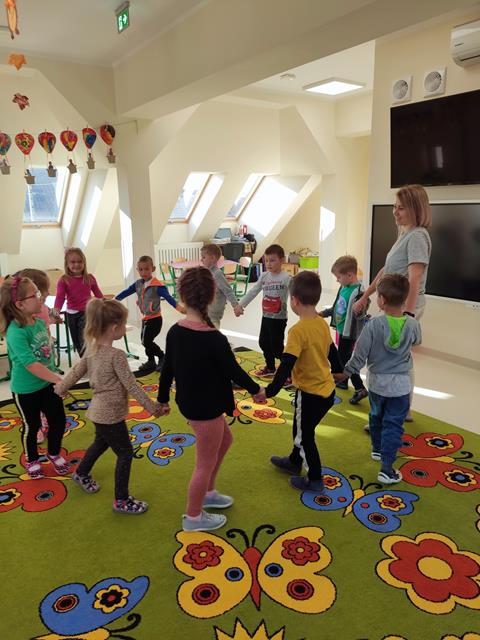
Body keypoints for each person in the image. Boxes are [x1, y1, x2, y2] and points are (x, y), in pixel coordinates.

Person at [157, 267, 261, 532]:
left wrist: (163, 399)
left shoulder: (175, 331)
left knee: (225, 440)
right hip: (205, 409)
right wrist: (256, 389)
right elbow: (234, 371)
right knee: (203, 464)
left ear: (182, 295)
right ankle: (193, 517)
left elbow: (167, 368)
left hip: (192, 403)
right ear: (213, 296)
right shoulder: (214, 339)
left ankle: (209, 492)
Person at [54, 299, 166, 515]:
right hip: (110, 415)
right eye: (124, 324)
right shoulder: (117, 356)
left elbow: (75, 373)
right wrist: (154, 408)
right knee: (125, 454)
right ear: (114, 328)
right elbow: (132, 386)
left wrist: (60, 388)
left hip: (98, 412)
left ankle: (81, 473)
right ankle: (121, 500)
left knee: (101, 442)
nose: (125, 328)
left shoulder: (91, 350)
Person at [255, 271, 342, 492]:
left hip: (311, 393)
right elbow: (332, 349)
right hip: (326, 390)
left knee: (305, 436)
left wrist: (269, 391)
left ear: (294, 301)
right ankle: (294, 461)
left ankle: (315, 478)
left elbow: (286, 364)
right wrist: (339, 370)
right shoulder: (321, 323)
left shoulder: (297, 331)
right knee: (301, 427)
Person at [353, 185, 431, 420]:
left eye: (401, 208)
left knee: (397, 359)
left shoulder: (417, 236)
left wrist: (408, 316)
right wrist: (366, 295)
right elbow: (387, 270)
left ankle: (400, 409)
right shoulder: (404, 233)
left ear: (416, 209)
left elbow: (415, 277)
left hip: (403, 307)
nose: (395, 212)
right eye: (394, 207)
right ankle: (396, 407)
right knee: (395, 357)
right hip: (394, 306)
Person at [342, 274, 421, 484]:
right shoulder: (412, 324)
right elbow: (417, 341)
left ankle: (377, 449)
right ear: (404, 299)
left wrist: (347, 372)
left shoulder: (373, 325)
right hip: (401, 386)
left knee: (376, 416)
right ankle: (387, 468)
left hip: (377, 383)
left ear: (382, 300)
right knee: (394, 424)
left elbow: (360, 354)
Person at [0, 275, 69, 480]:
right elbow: (31, 364)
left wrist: (54, 381)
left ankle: (53, 453)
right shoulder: (15, 332)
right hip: (26, 390)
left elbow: (46, 355)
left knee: (58, 420)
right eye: (36, 294)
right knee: (32, 427)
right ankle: (32, 459)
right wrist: (58, 379)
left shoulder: (38, 322)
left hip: (47, 385)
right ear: (20, 304)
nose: (41, 297)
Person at [17, 268, 62, 444]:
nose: (48, 293)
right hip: (32, 361)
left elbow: (49, 316)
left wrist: (54, 318)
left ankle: (45, 418)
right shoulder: (25, 315)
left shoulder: (42, 307)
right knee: (34, 397)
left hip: (45, 352)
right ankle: (36, 425)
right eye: (45, 290)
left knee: (46, 393)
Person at [116, 255, 182, 374]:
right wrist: (115, 300)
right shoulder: (138, 284)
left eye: (146, 269)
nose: (143, 272)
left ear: (153, 269)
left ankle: (162, 356)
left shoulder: (157, 286)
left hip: (155, 319)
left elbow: (168, 297)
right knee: (145, 340)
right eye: (141, 269)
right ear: (137, 270)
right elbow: (126, 292)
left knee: (146, 341)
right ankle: (151, 361)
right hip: (146, 318)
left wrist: (179, 308)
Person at [320, 256, 369, 405]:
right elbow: (336, 307)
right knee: (343, 358)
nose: (337, 280)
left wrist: (361, 309)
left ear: (349, 274)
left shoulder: (359, 292)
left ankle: (359, 388)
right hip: (342, 330)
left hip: (350, 334)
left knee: (344, 360)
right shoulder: (343, 288)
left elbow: (360, 314)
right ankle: (343, 381)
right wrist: (323, 313)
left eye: (338, 277)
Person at [236, 244, 291, 377]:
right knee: (263, 342)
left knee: (277, 347)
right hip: (266, 316)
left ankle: (289, 371)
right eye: (266, 260)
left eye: (272, 260)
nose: (268, 263)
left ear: (282, 260)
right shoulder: (264, 276)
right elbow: (253, 291)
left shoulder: (286, 278)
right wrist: (241, 305)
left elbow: (297, 294)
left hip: (279, 318)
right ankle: (270, 367)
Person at [53, 247, 104, 356]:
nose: (76, 264)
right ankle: (85, 361)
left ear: (84, 263)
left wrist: (105, 304)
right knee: (77, 343)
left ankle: (89, 361)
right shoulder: (63, 280)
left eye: (80, 261)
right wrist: (56, 309)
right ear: (67, 264)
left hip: (87, 313)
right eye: (73, 262)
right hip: (71, 314)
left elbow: (98, 294)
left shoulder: (89, 278)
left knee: (84, 340)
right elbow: (60, 297)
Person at [200, 244, 243, 328]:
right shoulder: (208, 272)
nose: (201, 260)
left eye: (203, 257)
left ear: (212, 258)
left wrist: (236, 306)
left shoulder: (217, 274)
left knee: (213, 332)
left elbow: (228, 291)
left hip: (213, 314)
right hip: (206, 311)